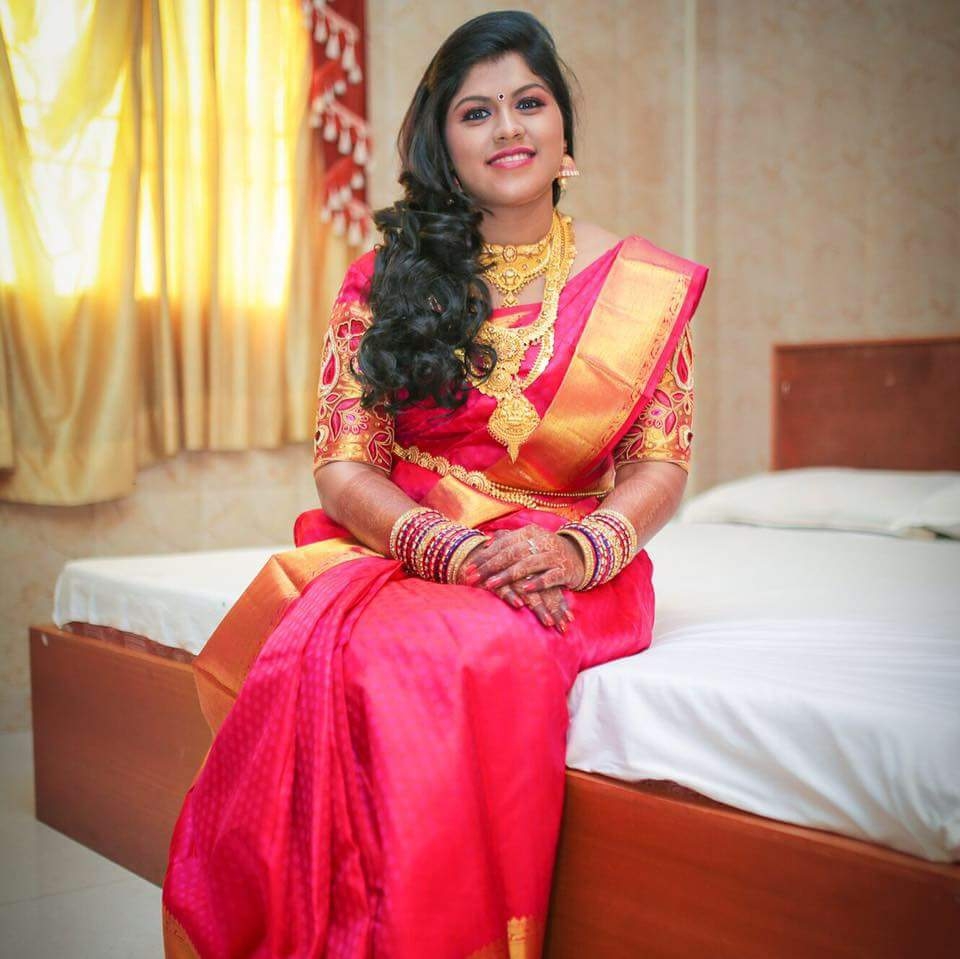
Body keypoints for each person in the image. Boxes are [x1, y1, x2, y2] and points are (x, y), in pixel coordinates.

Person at [161, 10, 707, 958]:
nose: (509, 128)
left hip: (570, 564)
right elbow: (343, 463)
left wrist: (576, 548)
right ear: (443, 144)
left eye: (529, 103)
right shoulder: (386, 281)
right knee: (352, 654)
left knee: (458, 654)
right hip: (414, 546)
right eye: (476, 112)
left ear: (564, 130)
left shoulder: (641, 289)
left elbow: (660, 460)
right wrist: (446, 547)